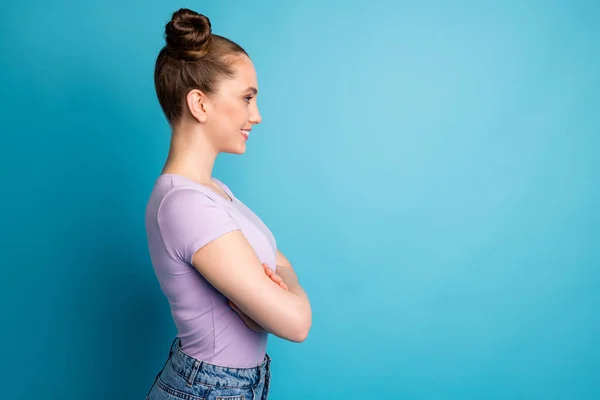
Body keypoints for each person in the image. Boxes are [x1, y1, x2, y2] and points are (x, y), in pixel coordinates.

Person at [143, 8, 312, 400]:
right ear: (200, 104)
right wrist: (288, 291)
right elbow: (297, 322)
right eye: (247, 98)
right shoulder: (186, 205)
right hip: (208, 390)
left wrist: (282, 283)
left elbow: (283, 266)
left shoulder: (214, 192)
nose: (257, 115)